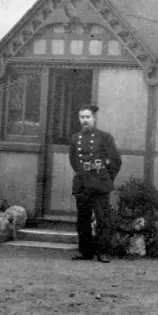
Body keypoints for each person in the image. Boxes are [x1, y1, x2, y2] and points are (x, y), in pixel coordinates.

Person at [69, 104, 122, 263]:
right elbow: (73, 161)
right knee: (82, 219)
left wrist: (106, 178)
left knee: (102, 219)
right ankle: (85, 252)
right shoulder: (74, 138)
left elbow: (115, 161)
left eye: (87, 117)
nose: (84, 120)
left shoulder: (104, 137)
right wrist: (83, 174)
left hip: (99, 183)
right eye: (82, 117)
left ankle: (103, 252)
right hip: (82, 183)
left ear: (94, 118)